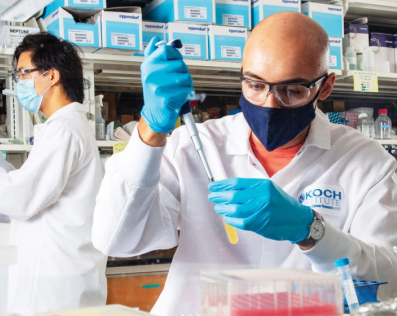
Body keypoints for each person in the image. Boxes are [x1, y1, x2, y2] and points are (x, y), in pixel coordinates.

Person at [92, 12, 397, 315]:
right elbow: (115, 239)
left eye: (292, 90)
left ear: (325, 87)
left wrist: (311, 231)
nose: (269, 104)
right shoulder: (194, 145)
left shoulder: (368, 164)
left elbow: (388, 280)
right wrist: (150, 130)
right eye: (255, 85)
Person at [0, 33, 107, 315]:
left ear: (51, 76)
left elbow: (17, 200)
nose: (19, 82)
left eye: (24, 73)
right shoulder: (65, 127)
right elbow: (29, 187)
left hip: (55, 285)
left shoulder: (62, 130)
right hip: (62, 277)